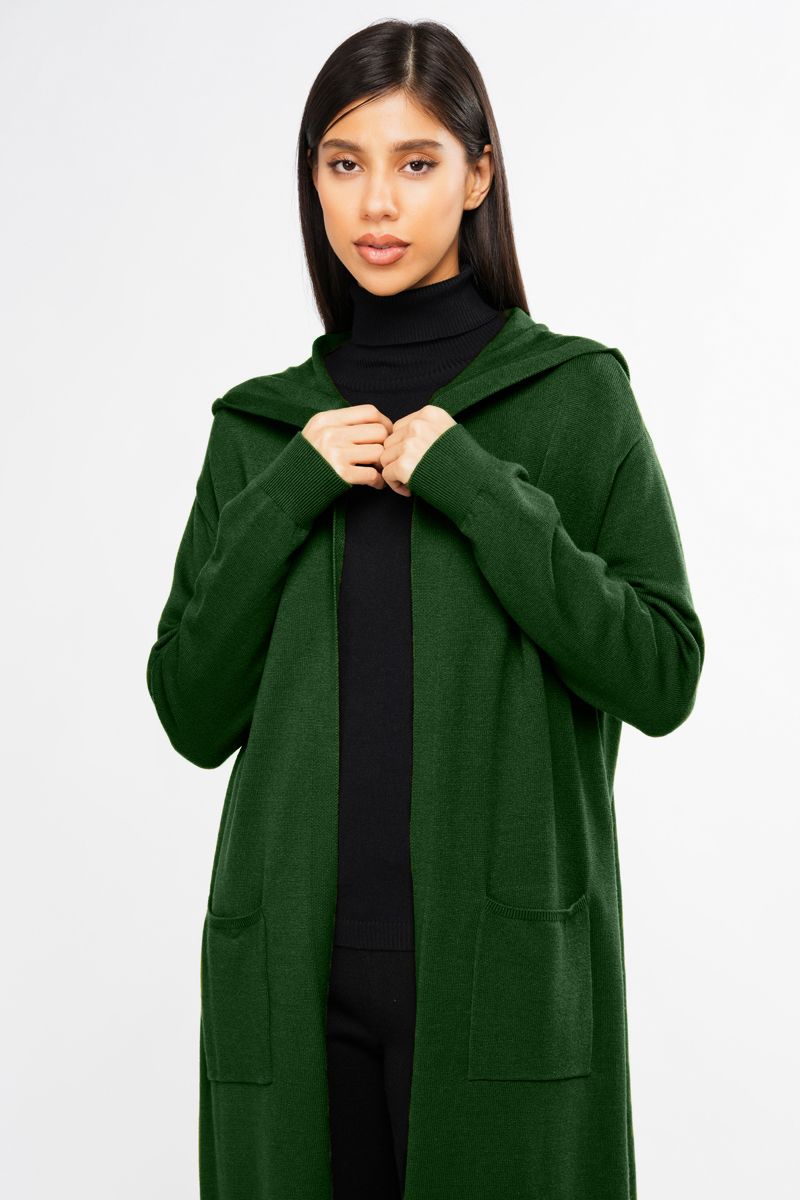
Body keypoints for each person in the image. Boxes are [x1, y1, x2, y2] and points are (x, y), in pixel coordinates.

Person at [145, 19, 704, 1200]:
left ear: (477, 174)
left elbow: (658, 673)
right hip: (288, 985)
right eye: (344, 163)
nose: (376, 204)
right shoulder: (258, 429)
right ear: (311, 181)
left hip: (501, 975)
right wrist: (289, 490)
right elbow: (191, 712)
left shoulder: (572, 397)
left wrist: (476, 487)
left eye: (416, 162)